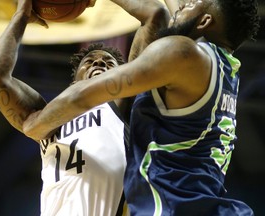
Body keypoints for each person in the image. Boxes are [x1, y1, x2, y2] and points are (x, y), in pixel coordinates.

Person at [18, 0, 261, 215]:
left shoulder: (183, 54)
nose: (181, 5)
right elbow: (167, 11)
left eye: (191, 3)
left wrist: (34, 124)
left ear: (205, 21)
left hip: (173, 208)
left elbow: (83, 95)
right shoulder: (224, 67)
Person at [0, 0, 169, 215]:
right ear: (74, 82)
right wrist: (21, 16)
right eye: (89, 62)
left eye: (109, 63)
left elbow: (156, 14)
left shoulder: (124, 103)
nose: (99, 63)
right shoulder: (46, 118)